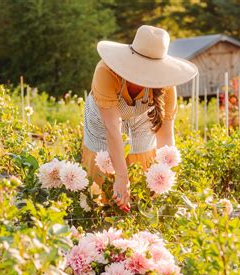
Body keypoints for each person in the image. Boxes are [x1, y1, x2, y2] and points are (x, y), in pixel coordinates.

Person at [82, 25, 198, 211]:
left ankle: (135, 220)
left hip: (140, 120)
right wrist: (121, 178)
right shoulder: (106, 72)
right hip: (103, 120)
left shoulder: (166, 84)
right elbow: (112, 127)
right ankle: (99, 218)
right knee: (101, 174)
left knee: (143, 172)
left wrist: (163, 175)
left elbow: (166, 135)